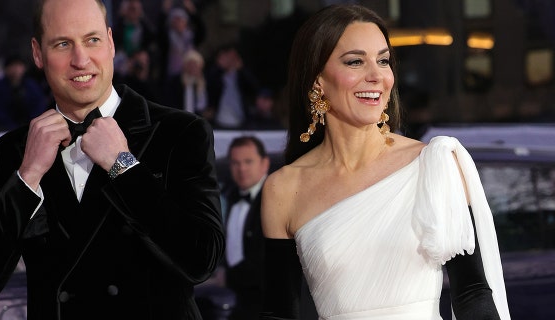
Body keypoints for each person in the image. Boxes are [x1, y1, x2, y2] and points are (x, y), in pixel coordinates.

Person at [0, 0, 224, 319]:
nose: (80, 60)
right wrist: (27, 178)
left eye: (92, 40)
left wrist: (123, 166)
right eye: (63, 44)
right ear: (38, 54)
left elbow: (201, 260)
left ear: (110, 42)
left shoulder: (180, 132)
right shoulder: (12, 151)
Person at [260, 4, 510, 320]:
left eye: (383, 61)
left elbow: (473, 293)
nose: (377, 76)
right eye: (355, 62)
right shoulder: (283, 189)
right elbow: (278, 312)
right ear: (317, 80)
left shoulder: (434, 164)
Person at [222, 136, 270, 320]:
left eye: (248, 162)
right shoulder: (229, 196)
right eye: (235, 163)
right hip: (239, 300)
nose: (241, 169)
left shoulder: (274, 199)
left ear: (264, 164)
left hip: (267, 303)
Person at [206, 44, 260, 129]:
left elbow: (254, 88)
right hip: (220, 120)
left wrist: (241, 69)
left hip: (241, 120)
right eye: (227, 56)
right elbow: (209, 87)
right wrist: (219, 67)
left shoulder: (241, 74)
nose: (230, 60)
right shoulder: (216, 74)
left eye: (233, 56)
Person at [0, 54, 48, 129]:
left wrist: (31, 124)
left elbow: (39, 106)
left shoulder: (31, 86)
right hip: (5, 129)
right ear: (6, 69)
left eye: (19, 65)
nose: (16, 69)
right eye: (12, 66)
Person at [161, 49, 208, 116]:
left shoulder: (202, 82)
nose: (192, 67)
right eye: (190, 64)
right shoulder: (175, 81)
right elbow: (169, 102)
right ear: (185, 65)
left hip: (196, 120)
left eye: (195, 65)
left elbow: (202, 106)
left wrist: (200, 89)